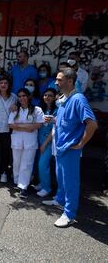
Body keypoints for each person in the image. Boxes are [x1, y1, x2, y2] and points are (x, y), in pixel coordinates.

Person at [42, 68, 97, 228]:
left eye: (59, 80)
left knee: (71, 182)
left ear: (70, 81)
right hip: (60, 148)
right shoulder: (64, 98)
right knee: (61, 178)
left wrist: (81, 144)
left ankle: (69, 214)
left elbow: (92, 124)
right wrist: (53, 120)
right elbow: (64, 120)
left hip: (70, 149)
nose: (56, 82)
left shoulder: (78, 99)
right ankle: (59, 200)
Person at [8, 88, 44, 198]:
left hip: (30, 141)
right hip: (17, 140)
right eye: (19, 96)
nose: (22, 98)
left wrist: (18, 126)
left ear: (28, 96)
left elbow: (38, 125)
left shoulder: (36, 109)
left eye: (24, 95)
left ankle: (23, 186)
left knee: (27, 163)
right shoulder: (15, 109)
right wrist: (27, 127)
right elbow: (10, 124)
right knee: (17, 162)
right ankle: (17, 181)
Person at [35, 88, 58, 197]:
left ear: (54, 98)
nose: (47, 97)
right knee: (38, 163)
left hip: (49, 142)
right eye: (45, 95)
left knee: (43, 164)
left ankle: (47, 188)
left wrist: (44, 144)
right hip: (39, 140)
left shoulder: (57, 110)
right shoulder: (40, 109)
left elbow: (54, 130)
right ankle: (42, 183)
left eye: (50, 95)